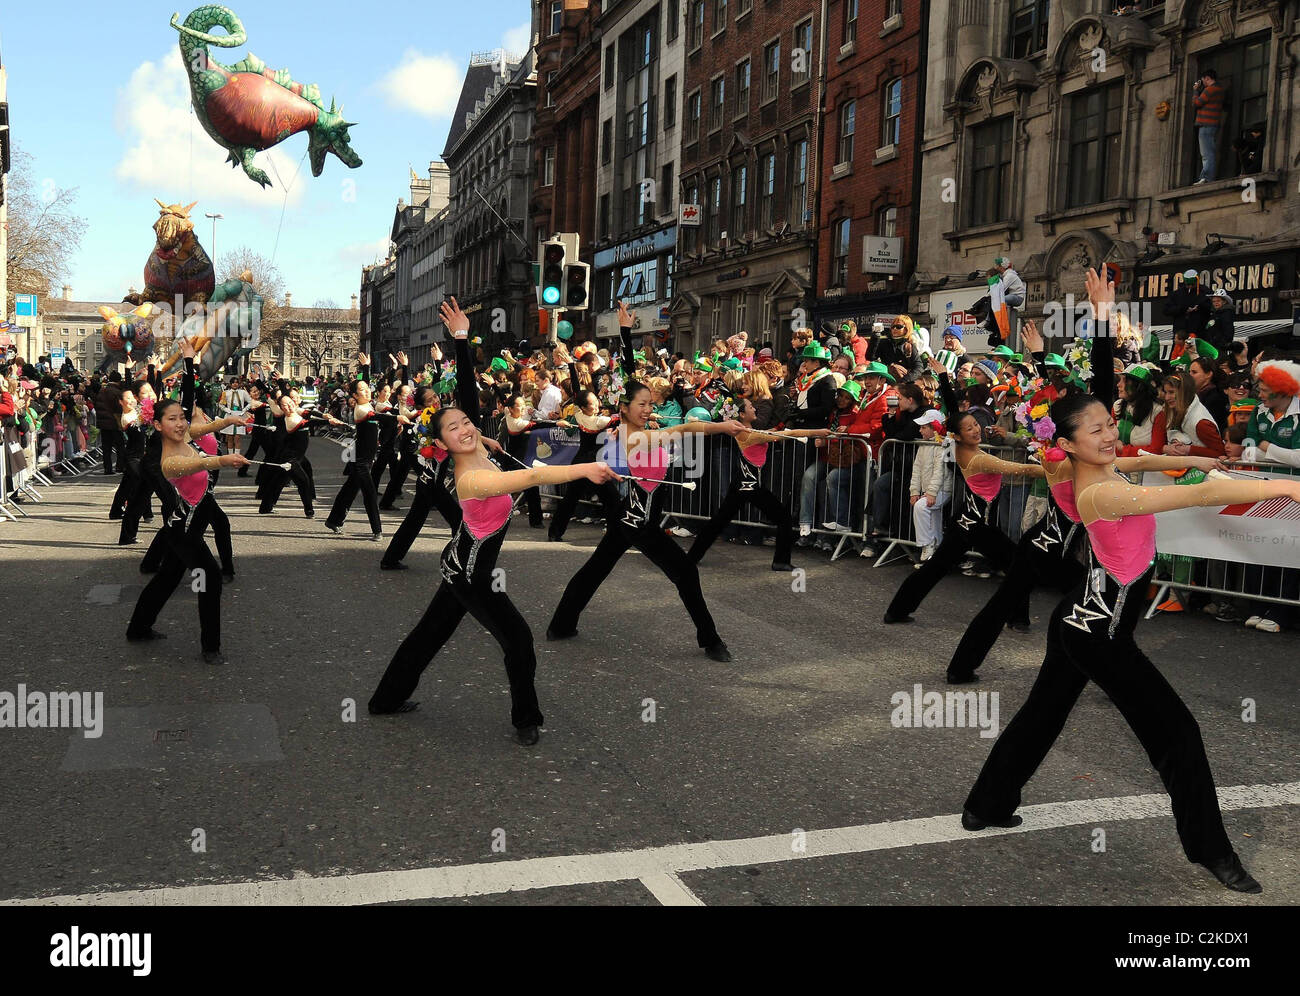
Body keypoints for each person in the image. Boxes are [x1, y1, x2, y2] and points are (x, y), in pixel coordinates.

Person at [962, 390, 1300, 894]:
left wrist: (1215, 460)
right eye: (1093, 430)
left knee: (1042, 714)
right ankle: (1214, 852)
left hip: (1078, 618)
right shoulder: (1099, 493)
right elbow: (1191, 497)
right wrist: (1284, 490)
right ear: (1070, 445)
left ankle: (984, 805)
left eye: (1108, 423)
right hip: (1098, 635)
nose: (1108, 435)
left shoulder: (1109, 467)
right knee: (1178, 735)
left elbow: (1159, 459)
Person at [368, 299, 621, 746]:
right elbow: (536, 475)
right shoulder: (471, 476)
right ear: (442, 444)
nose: (465, 428)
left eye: (467, 422)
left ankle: (384, 701)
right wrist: (584, 469)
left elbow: (467, 396)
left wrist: (462, 339)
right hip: (470, 574)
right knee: (518, 640)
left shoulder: (478, 447)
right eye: (454, 429)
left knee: (428, 636)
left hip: (459, 564)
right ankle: (527, 720)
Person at [547, 301, 745, 663]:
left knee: (595, 569)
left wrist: (625, 333)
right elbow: (685, 427)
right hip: (637, 521)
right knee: (684, 573)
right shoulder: (631, 435)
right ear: (624, 407)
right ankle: (711, 639)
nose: (647, 409)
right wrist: (723, 427)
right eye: (641, 404)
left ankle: (561, 624)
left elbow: (628, 372)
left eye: (650, 404)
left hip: (634, 518)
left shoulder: (642, 426)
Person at [126, 341, 253, 665]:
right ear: (157, 424)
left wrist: (188, 362)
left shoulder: (178, 435)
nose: (181, 423)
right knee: (208, 576)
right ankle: (211, 648)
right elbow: (185, 471)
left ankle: (139, 627)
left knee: (168, 577)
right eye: (172, 419)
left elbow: (192, 405)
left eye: (181, 418)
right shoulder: (160, 458)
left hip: (199, 510)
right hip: (180, 524)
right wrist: (222, 460)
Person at [882, 410, 1045, 625]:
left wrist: (943, 377)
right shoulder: (978, 460)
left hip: (966, 523)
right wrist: (1061, 470)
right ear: (957, 436)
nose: (976, 430)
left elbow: (954, 416)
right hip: (974, 527)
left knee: (935, 568)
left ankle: (896, 611)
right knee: (1017, 567)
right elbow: (1022, 469)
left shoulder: (962, 448)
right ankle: (1018, 619)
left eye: (976, 424)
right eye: (969, 429)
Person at [688, 395, 830, 572]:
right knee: (782, 518)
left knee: (717, 522)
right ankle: (781, 561)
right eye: (750, 407)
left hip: (742, 485)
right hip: (749, 486)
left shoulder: (745, 431)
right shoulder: (748, 435)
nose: (754, 409)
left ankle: (692, 557)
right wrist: (815, 432)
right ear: (741, 414)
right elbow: (788, 434)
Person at [909, 410, 952, 563]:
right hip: (929, 490)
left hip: (942, 489)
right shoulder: (923, 444)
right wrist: (914, 490)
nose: (920, 430)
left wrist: (931, 492)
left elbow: (941, 470)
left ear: (934, 428)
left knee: (921, 507)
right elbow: (917, 469)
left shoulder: (944, 444)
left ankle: (926, 545)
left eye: (924, 427)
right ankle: (937, 551)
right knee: (933, 516)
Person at [1192, 68, 1226, 184]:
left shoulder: (1209, 90)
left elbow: (1196, 103)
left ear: (1207, 78)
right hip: (1213, 124)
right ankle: (1207, 176)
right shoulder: (1219, 90)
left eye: (1203, 80)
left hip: (1205, 124)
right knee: (1210, 151)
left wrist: (1196, 91)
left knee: (1206, 153)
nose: (1202, 82)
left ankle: (1206, 177)